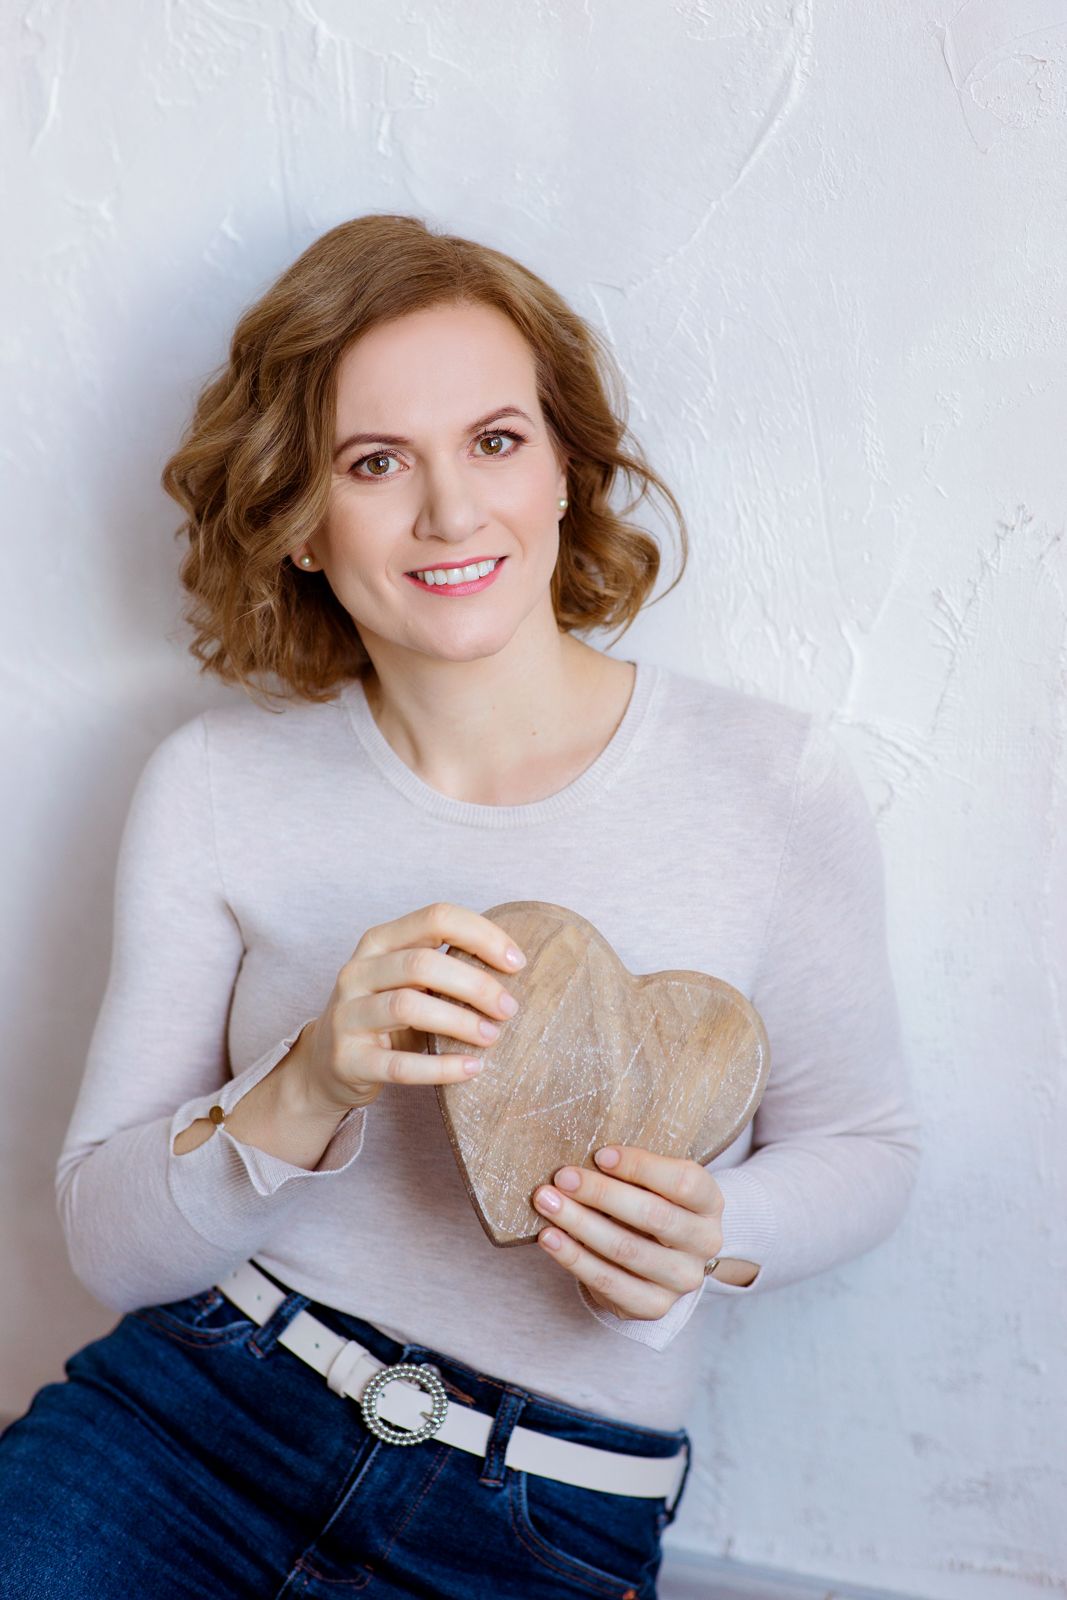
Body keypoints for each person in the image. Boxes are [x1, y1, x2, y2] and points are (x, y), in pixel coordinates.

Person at [0, 214, 920, 1599]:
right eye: (374, 462)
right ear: (299, 522)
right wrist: (306, 1081)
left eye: (495, 441)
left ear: (566, 470)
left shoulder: (772, 782)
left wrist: (716, 1237)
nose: (449, 513)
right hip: (192, 1425)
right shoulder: (213, 784)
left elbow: (867, 1148)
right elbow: (108, 1244)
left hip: (548, 1513)